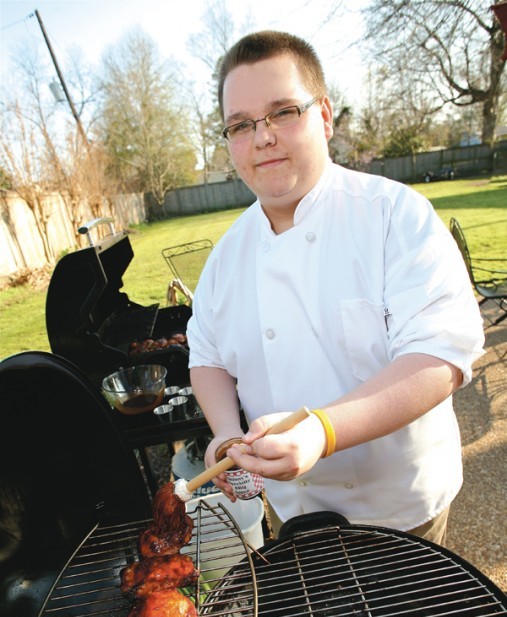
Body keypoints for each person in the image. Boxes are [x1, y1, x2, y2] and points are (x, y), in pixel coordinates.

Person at [186, 30, 485, 545]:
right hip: (291, 513)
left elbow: (439, 356)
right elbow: (207, 356)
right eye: (241, 125)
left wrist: (321, 432)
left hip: (400, 512)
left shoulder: (394, 216)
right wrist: (227, 435)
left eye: (283, 112)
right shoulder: (226, 257)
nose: (262, 138)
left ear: (324, 116)